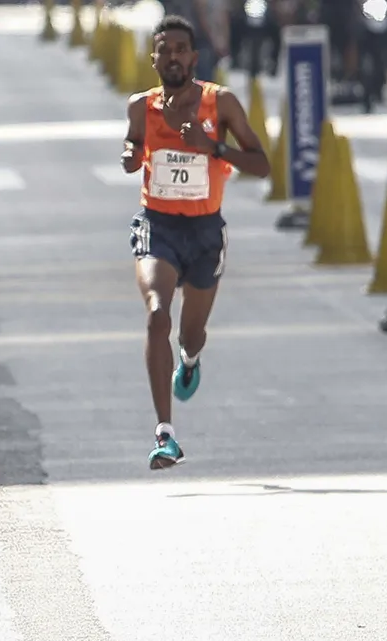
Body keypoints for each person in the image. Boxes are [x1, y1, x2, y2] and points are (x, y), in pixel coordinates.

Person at [120, 15, 269, 470]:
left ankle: (190, 358)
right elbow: (132, 146)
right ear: (154, 58)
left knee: (191, 332)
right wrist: (130, 156)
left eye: (180, 49)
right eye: (164, 50)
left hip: (205, 231)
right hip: (158, 225)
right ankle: (165, 434)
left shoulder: (219, 103)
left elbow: (261, 164)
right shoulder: (140, 106)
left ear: (194, 57)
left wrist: (214, 147)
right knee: (156, 315)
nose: (173, 57)